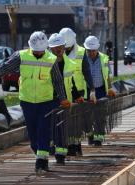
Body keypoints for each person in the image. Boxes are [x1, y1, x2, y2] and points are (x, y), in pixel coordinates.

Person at [0, 31, 71, 172]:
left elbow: (57, 81)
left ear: (45, 48)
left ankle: (41, 163)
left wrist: (63, 98)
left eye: (40, 51)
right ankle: (39, 152)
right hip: (27, 102)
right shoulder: (21, 56)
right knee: (32, 134)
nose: (38, 54)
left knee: (43, 130)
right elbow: (4, 68)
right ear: (30, 47)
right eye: (35, 51)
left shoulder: (51, 59)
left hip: (46, 102)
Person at [48, 33, 85, 164]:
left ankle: (61, 154)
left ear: (64, 47)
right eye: (55, 48)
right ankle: (53, 148)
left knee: (63, 127)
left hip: (65, 101)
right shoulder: (45, 63)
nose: (58, 50)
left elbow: (72, 83)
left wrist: (77, 97)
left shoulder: (69, 63)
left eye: (60, 47)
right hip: (49, 100)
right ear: (50, 49)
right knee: (52, 127)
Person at [59, 28, 95, 155]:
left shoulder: (81, 52)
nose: (66, 50)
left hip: (78, 93)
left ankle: (76, 146)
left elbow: (87, 71)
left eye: (68, 47)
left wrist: (92, 89)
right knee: (65, 121)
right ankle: (68, 145)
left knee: (76, 122)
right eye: (65, 47)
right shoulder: (57, 50)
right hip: (63, 93)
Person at [83, 35, 116, 146]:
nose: (91, 53)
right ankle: (90, 134)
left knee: (100, 115)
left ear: (97, 49)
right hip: (86, 90)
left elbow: (108, 75)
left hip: (101, 90)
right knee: (87, 117)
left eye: (93, 50)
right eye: (89, 50)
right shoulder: (82, 59)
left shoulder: (103, 58)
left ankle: (98, 138)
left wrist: (110, 88)